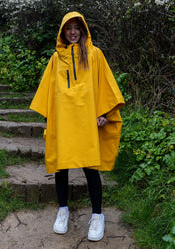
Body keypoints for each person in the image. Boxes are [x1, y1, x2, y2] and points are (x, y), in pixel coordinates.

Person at [30, 11, 125, 241]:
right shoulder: (56, 58)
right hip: (64, 121)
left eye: (77, 28)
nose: (73, 32)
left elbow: (105, 84)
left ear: (83, 30)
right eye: (68, 28)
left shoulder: (95, 55)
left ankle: (98, 215)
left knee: (91, 168)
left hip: (87, 122)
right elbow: (48, 92)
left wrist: (104, 112)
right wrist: (49, 120)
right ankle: (63, 209)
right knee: (61, 167)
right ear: (63, 31)